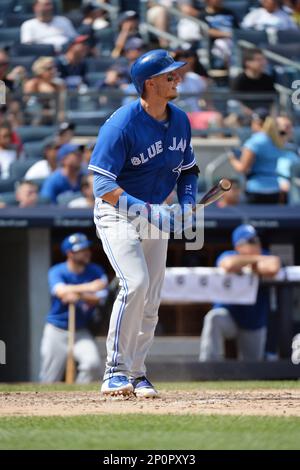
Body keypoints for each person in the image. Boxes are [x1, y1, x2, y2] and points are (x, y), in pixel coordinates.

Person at [88, 49, 199, 397]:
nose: (177, 77)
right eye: (169, 75)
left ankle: (137, 372)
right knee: (134, 283)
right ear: (149, 84)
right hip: (118, 212)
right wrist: (148, 211)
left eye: (176, 73)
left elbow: (188, 171)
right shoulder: (121, 124)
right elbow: (102, 185)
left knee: (150, 298)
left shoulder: (180, 119)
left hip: (155, 212)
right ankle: (114, 371)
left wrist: (188, 204)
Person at [199, 224, 281, 361]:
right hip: (229, 314)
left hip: (253, 320)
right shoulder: (229, 255)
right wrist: (255, 261)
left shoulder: (266, 255)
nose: (257, 243)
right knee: (213, 318)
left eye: (257, 239)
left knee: (253, 368)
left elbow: (272, 266)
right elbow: (229, 264)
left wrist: (251, 262)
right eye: (251, 241)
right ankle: (209, 366)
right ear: (238, 247)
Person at [40, 233, 108, 383]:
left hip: (80, 330)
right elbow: (60, 291)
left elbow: (101, 296)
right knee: (49, 377)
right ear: (70, 253)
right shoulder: (57, 271)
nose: (86, 253)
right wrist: (89, 287)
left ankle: (78, 400)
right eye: (81, 250)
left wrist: (78, 295)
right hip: (56, 330)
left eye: (86, 249)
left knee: (92, 364)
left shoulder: (95, 270)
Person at [228, 108, 285, 203]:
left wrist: (232, 158)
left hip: (256, 189)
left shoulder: (255, 141)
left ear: (256, 122)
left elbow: (243, 168)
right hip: (275, 188)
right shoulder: (275, 140)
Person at [230, 48, 276, 114]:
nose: (263, 63)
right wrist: (253, 115)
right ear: (247, 63)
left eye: (263, 59)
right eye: (258, 60)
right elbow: (235, 102)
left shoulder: (267, 79)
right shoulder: (239, 80)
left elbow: (273, 102)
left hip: (265, 115)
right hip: (244, 116)